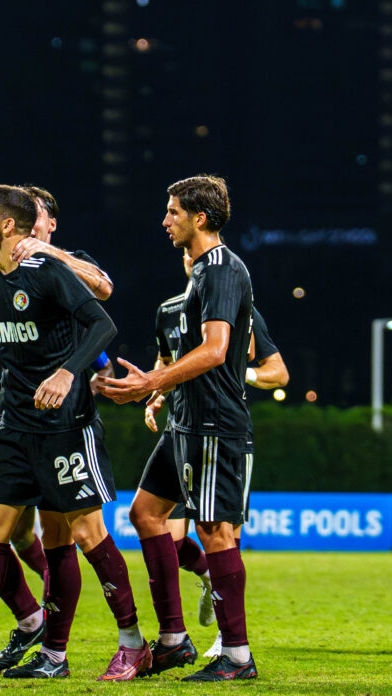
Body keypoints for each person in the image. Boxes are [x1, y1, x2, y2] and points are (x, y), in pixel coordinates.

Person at [0, 185, 150, 681]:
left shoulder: (52, 269)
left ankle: (133, 643)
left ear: (9, 225)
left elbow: (102, 323)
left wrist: (66, 373)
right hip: (14, 426)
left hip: (64, 426)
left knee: (84, 533)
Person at [98, 174, 259, 681]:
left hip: (215, 423)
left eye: (172, 212)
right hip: (184, 422)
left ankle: (236, 657)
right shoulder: (198, 276)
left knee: (213, 531)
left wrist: (152, 382)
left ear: (200, 217)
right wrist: (163, 391)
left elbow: (215, 351)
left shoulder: (223, 270)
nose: (165, 220)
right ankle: (173, 639)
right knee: (146, 514)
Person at [0, 186, 115, 673]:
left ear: (45, 224)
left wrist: (49, 253)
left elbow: (103, 292)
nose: (28, 230)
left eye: (37, 220)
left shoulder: (62, 263)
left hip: (58, 419)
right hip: (9, 421)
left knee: (61, 533)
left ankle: (59, 641)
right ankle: (30, 619)